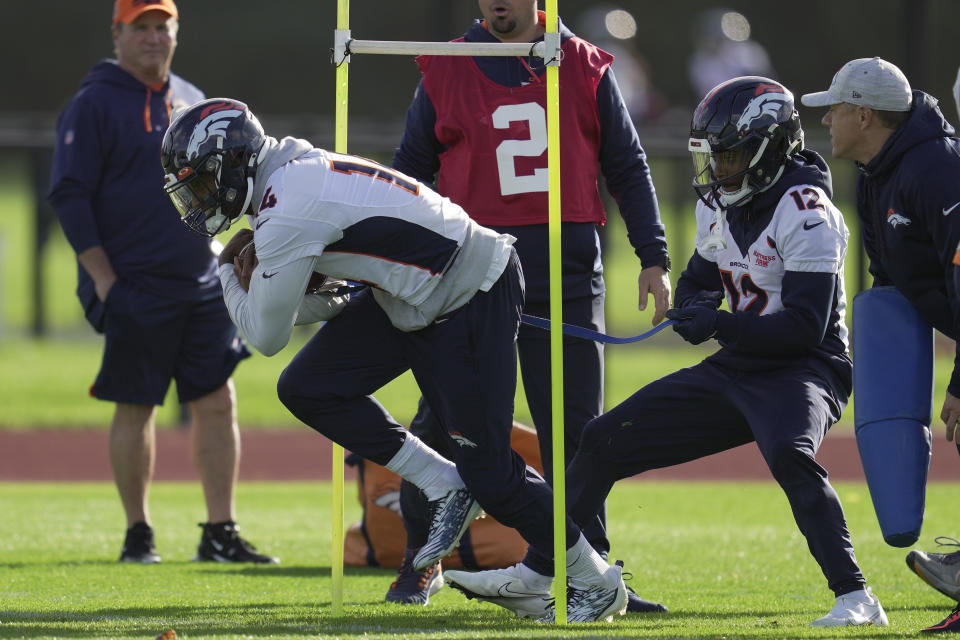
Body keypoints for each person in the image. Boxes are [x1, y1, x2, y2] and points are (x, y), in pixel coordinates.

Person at [160, 97, 630, 623]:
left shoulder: (286, 202)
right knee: (309, 385)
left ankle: (596, 580)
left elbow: (265, 334)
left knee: (493, 472)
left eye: (202, 183)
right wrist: (280, 285)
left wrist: (226, 269)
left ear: (231, 164)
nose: (200, 201)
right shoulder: (291, 176)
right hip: (413, 294)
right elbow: (312, 303)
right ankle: (441, 481)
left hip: (468, 290)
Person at [444, 76, 890, 628]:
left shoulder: (809, 212)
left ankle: (856, 597)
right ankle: (541, 573)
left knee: (789, 453)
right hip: (739, 365)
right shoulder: (721, 204)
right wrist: (693, 307)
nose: (719, 168)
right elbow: (699, 277)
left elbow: (801, 330)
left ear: (770, 148)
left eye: (730, 155)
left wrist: (719, 322)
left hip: (804, 370)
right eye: (714, 155)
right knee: (603, 439)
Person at [385, 0, 671, 611]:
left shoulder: (584, 64)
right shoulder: (447, 67)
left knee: (578, 437)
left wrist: (654, 254)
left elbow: (627, 163)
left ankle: (591, 575)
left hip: (564, 278)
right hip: (472, 279)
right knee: (442, 427)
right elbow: (410, 171)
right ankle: (420, 562)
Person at [47, 0, 276, 565]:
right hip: (134, 283)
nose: (152, 38)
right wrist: (103, 280)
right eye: (140, 27)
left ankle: (219, 532)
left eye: (161, 27)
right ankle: (138, 534)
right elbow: (69, 195)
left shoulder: (191, 98)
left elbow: (218, 187)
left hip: (201, 279)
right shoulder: (93, 103)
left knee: (218, 400)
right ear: (118, 34)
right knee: (136, 405)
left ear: (176, 32)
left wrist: (226, 250)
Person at [802, 57, 960, 634]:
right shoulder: (875, 176)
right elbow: (891, 284)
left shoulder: (936, 170)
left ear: (863, 115)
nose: (827, 121)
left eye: (835, 110)